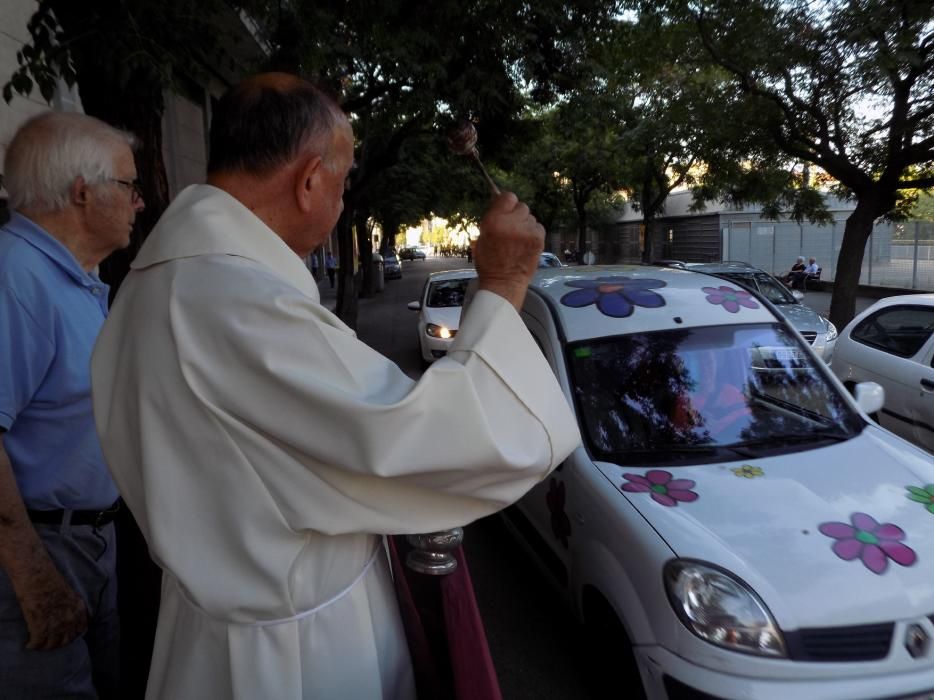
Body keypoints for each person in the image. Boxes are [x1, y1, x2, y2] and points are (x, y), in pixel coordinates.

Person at [90, 73, 581, 699]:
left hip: (214, 631)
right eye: (344, 182)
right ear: (310, 179)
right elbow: (433, 438)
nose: (344, 200)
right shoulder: (238, 307)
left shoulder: (159, 282)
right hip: (291, 659)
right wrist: (506, 281)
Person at [0, 112, 145, 698]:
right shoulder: (15, 277)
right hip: (36, 552)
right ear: (83, 192)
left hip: (83, 541)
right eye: (129, 185)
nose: (140, 202)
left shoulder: (68, 278)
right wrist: (34, 579)